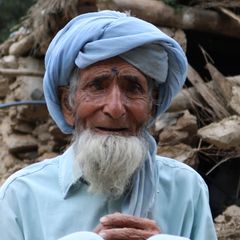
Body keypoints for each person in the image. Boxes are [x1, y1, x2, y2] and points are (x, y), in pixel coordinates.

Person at [0, 10, 217, 240]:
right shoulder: (21, 196)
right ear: (68, 105)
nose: (115, 108)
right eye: (97, 86)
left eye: (133, 88)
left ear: (152, 107)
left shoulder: (186, 189)